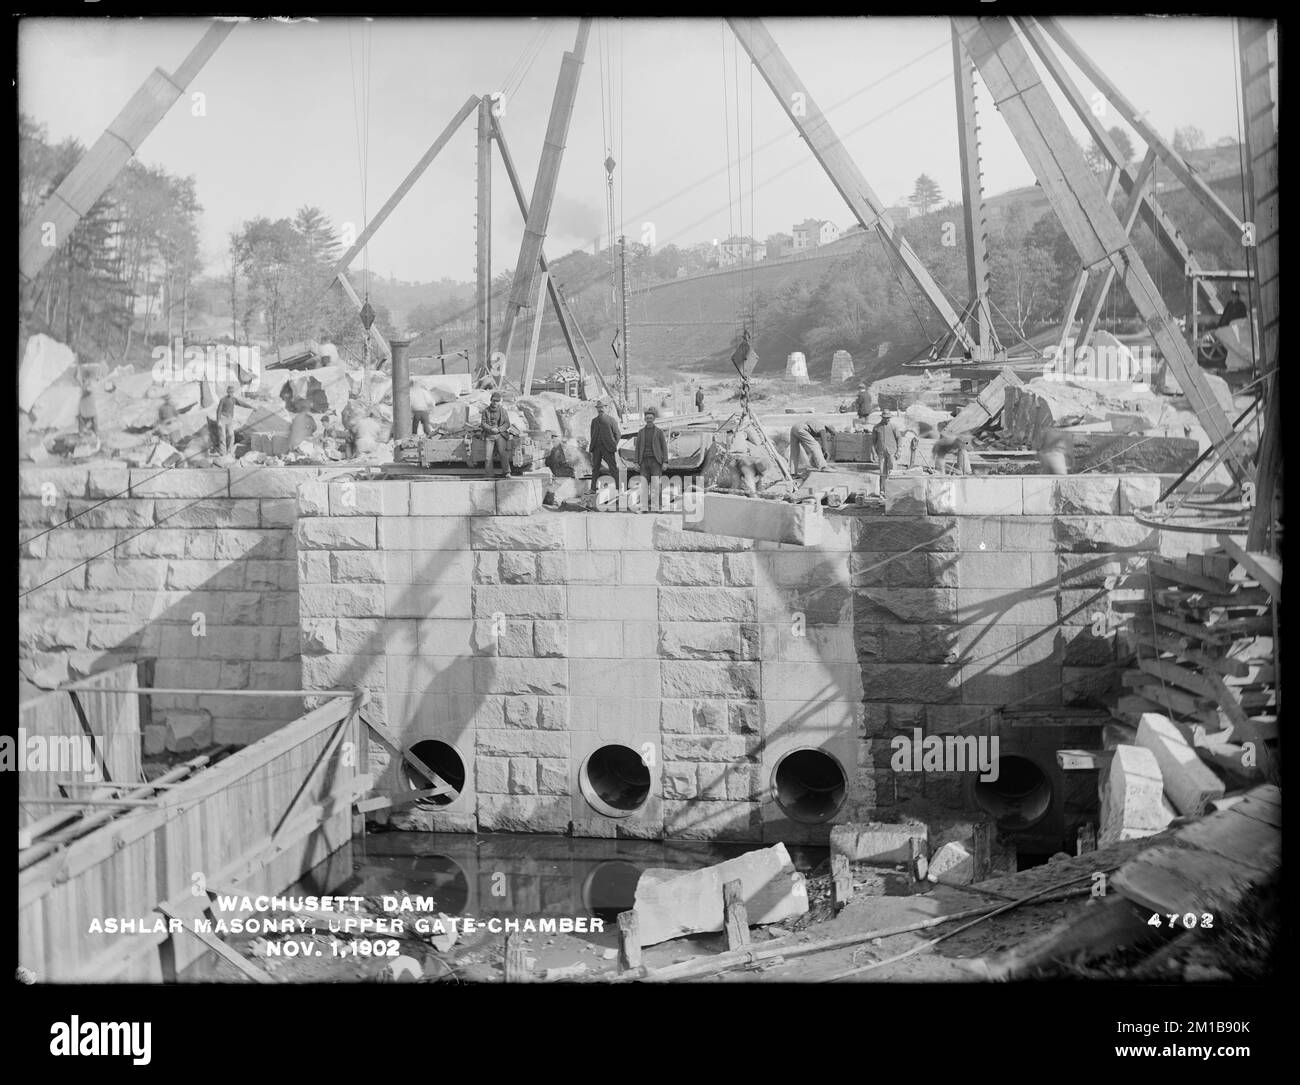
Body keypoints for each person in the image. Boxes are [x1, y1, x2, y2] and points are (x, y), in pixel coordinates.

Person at [634, 406, 669, 510]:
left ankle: (657, 507)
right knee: (644, 486)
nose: (649, 419)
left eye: (651, 417)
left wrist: (665, 462)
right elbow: (637, 449)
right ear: (645, 419)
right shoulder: (640, 432)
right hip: (643, 462)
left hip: (655, 462)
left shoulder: (659, 432)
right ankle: (644, 507)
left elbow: (664, 448)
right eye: (647, 417)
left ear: (654, 419)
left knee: (656, 486)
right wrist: (636, 462)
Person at [588, 399, 622, 493]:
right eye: (599, 408)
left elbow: (618, 434)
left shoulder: (611, 420)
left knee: (613, 468)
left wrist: (613, 445)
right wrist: (592, 447)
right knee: (595, 469)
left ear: (606, 408)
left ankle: (619, 489)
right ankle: (593, 489)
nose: (600, 409)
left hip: (608, 448)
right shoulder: (594, 421)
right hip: (596, 448)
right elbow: (592, 434)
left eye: (602, 407)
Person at [480, 391, 514, 478]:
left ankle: (506, 472)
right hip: (489, 435)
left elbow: (507, 423)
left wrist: (498, 430)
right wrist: (491, 429)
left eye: (497, 401)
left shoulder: (503, 411)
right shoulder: (485, 411)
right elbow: (483, 423)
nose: (495, 403)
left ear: (500, 402)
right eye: (494, 401)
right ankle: (489, 474)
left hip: (500, 435)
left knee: (503, 453)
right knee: (488, 457)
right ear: (491, 400)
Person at [216, 383, 256, 455]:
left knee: (231, 435)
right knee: (222, 436)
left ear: (233, 392)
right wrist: (218, 421)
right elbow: (218, 410)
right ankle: (222, 453)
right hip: (222, 418)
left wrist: (251, 407)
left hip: (230, 419)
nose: (231, 393)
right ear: (227, 392)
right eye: (229, 392)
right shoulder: (223, 400)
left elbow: (242, 404)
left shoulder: (234, 399)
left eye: (232, 392)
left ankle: (229, 452)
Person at [872, 409, 900, 484]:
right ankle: (882, 491)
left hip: (892, 452)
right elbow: (873, 442)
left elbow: (899, 439)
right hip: (881, 453)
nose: (888, 419)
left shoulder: (894, 426)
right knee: (882, 472)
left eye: (889, 417)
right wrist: (874, 453)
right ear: (882, 417)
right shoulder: (876, 427)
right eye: (886, 417)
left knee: (893, 472)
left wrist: (898, 451)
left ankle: (893, 491)